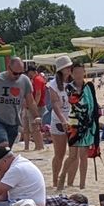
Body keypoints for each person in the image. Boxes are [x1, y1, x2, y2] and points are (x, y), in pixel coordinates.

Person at [59, 64, 99, 191]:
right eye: (76, 72)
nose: (78, 75)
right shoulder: (69, 87)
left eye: (81, 72)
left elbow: (93, 103)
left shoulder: (90, 86)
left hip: (87, 124)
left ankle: (82, 184)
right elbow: (75, 101)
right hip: (74, 123)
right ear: (72, 73)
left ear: (84, 72)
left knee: (83, 156)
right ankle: (62, 176)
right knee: (72, 156)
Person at [46, 57, 74, 188]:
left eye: (70, 66)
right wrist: (63, 120)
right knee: (60, 154)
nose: (70, 69)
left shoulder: (74, 82)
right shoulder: (53, 85)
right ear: (61, 70)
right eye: (67, 67)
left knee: (75, 154)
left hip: (74, 120)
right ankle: (55, 180)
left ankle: (69, 181)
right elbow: (55, 104)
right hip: (59, 121)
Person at [24, 64, 47, 151]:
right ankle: (38, 146)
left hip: (38, 106)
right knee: (33, 128)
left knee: (35, 128)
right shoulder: (37, 79)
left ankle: (39, 146)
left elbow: (38, 94)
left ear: (31, 71)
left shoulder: (37, 79)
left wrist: (34, 106)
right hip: (34, 105)